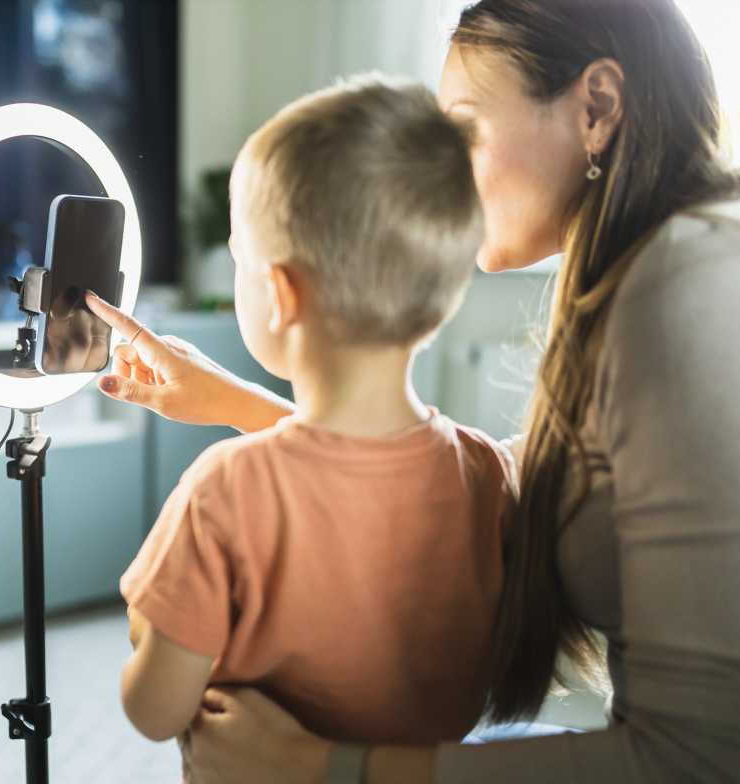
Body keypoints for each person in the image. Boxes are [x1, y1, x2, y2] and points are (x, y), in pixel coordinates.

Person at [85, 0, 740, 780]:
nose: (440, 173)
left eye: (461, 129)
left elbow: (703, 757)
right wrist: (232, 401)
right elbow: (477, 486)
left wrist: (324, 766)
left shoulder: (686, 290)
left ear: (596, 108)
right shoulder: (652, 278)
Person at [108, 74, 519, 752]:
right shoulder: (484, 472)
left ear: (279, 295)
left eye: (239, 257)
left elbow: (153, 711)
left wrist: (151, 621)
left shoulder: (224, 493)